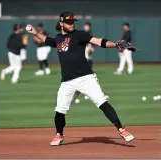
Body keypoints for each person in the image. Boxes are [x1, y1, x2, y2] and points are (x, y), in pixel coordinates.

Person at [26, 11, 134, 146]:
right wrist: (35, 33)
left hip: (86, 78)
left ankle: (121, 130)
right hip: (67, 81)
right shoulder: (58, 39)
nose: (71, 24)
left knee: (102, 102)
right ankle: (59, 135)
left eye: (72, 22)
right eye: (68, 22)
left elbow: (97, 41)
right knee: (60, 110)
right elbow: (48, 40)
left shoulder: (79, 35)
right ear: (61, 23)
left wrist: (115, 45)